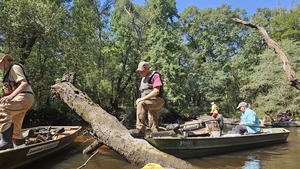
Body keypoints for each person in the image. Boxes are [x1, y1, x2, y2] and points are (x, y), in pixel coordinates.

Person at [0, 53, 34, 150]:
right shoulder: (6, 73)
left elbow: (24, 84)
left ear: (6, 61)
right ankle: (19, 146)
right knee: (15, 128)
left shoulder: (14, 68)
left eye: (0, 63)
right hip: (19, 99)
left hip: (24, 96)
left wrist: (11, 96)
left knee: (2, 109)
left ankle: (6, 142)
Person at [130, 61, 165, 138]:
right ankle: (156, 135)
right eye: (139, 71)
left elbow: (156, 91)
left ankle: (140, 130)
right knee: (152, 117)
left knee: (141, 103)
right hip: (150, 102)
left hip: (157, 100)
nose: (140, 73)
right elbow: (144, 92)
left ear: (147, 69)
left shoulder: (155, 75)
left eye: (142, 71)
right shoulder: (143, 79)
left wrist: (141, 99)